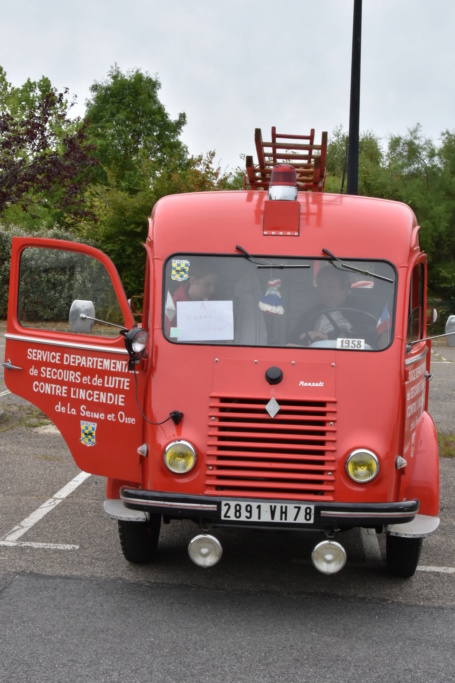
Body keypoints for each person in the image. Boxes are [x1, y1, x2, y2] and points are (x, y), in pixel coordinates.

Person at [289, 265, 374, 346]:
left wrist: (329, 338)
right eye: (321, 288)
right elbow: (293, 342)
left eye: (330, 287)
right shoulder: (310, 316)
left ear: (345, 286)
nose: (325, 294)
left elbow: (370, 336)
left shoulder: (362, 308)